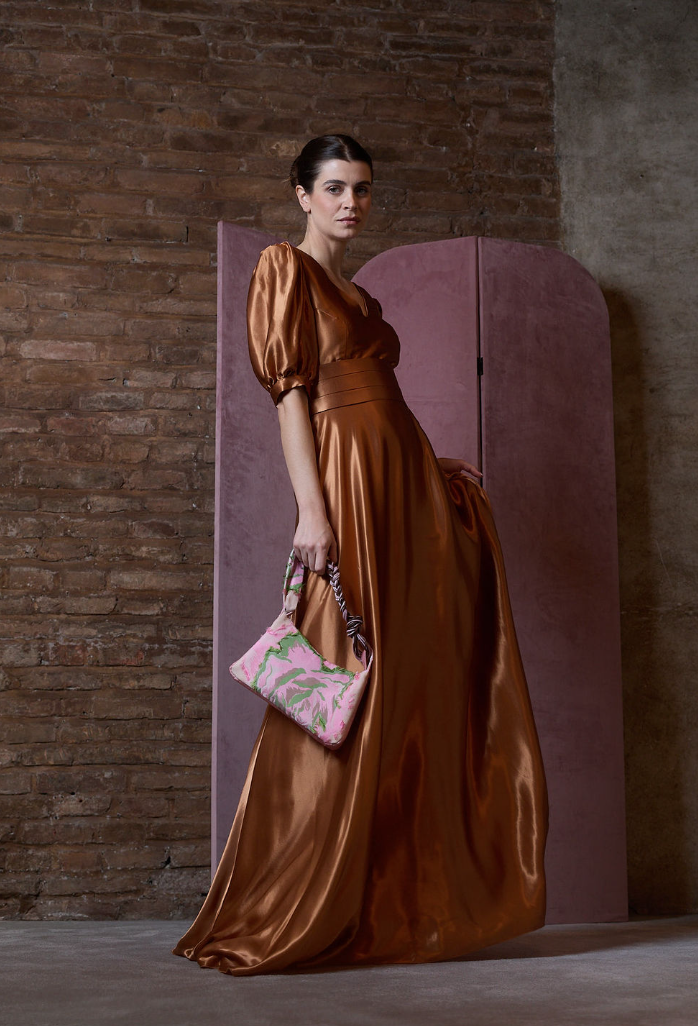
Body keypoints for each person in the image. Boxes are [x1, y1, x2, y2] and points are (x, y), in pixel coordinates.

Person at [172, 133, 549, 976]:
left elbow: (383, 402)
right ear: (302, 194)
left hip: (400, 482)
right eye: (336, 188)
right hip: (343, 484)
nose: (352, 203)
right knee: (340, 675)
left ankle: (389, 889)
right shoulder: (285, 269)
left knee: (411, 671)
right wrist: (313, 509)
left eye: (364, 189)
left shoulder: (359, 294)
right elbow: (293, 399)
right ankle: (302, 889)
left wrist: (427, 465)